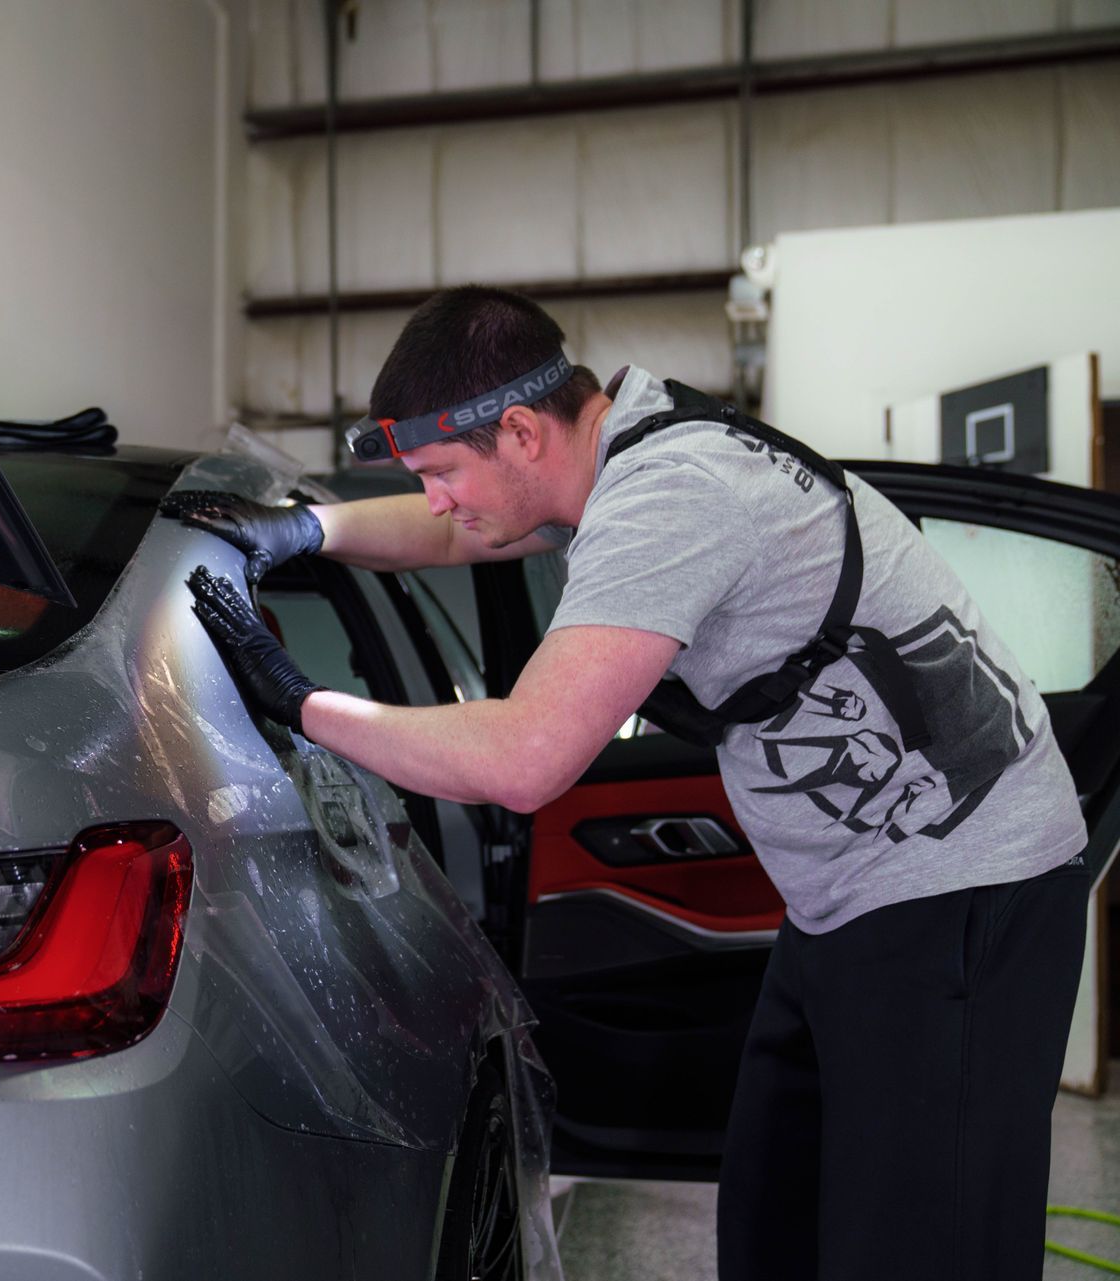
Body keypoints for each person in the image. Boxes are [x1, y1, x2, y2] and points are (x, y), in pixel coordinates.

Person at [167, 285, 1089, 1281]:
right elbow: (462, 534)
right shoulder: (620, 442)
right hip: (849, 895)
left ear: (521, 431)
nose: (435, 498)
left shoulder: (674, 498)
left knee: (918, 1250)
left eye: (440, 471)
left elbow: (525, 761)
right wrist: (304, 533)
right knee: (777, 1222)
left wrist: (304, 706)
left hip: (957, 884)